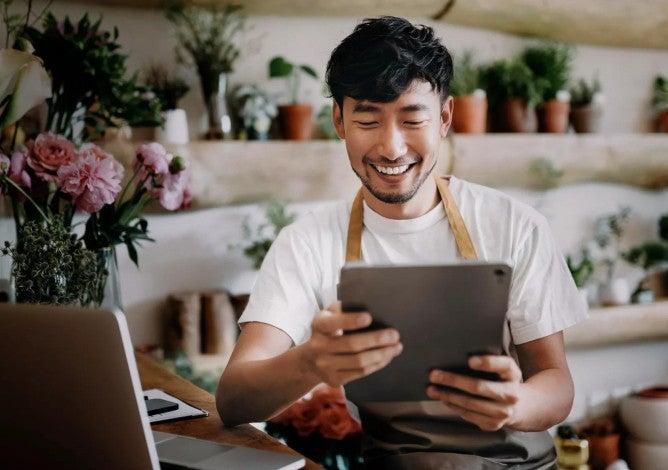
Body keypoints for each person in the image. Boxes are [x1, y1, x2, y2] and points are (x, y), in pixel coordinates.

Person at [216, 16, 587, 469]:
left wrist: (516, 404)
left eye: (412, 119)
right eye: (368, 120)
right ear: (339, 120)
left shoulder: (515, 226)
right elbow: (233, 400)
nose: (391, 148)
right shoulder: (306, 243)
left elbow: (556, 383)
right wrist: (312, 362)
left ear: (445, 118)